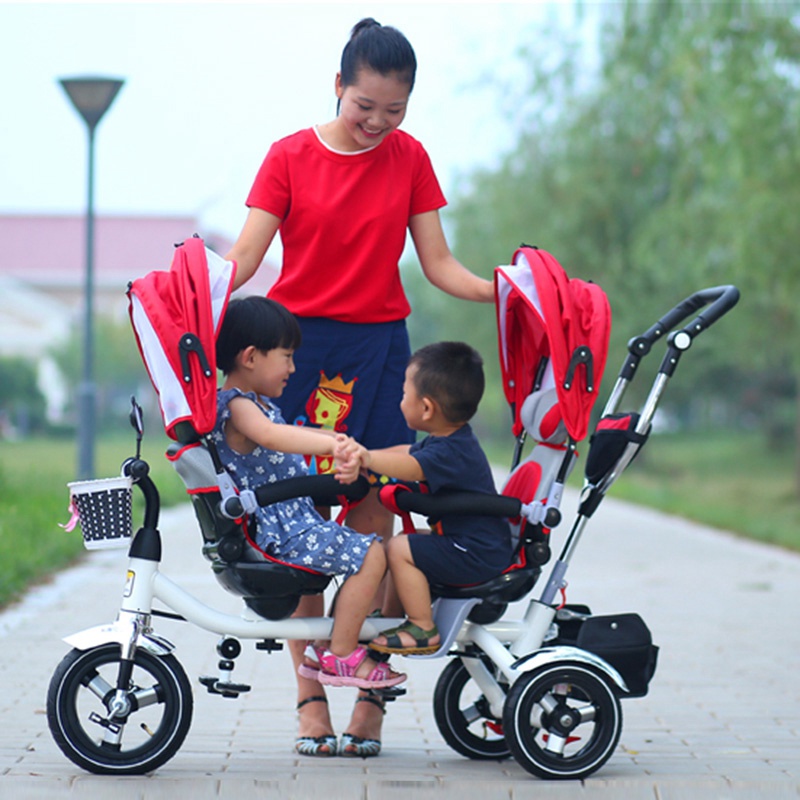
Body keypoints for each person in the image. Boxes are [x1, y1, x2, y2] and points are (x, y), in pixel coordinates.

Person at [224, 17, 494, 757]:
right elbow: (245, 256)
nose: (377, 123)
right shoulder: (287, 156)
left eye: (394, 111)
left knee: (378, 515)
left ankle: (370, 695)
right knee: (308, 524)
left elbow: (439, 264)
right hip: (299, 352)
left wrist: (501, 292)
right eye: (363, 106)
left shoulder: (410, 160)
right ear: (338, 86)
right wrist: (191, 292)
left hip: (383, 355)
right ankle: (311, 696)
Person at [212, 296, 406, 757]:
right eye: (287, 357)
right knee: (375, 554)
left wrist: (340, 452)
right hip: (283, 533)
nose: (295, 369)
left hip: (289, 522)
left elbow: (283, 444)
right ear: (251, 357)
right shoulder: (239, 406)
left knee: (372, 549)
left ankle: (334, 643)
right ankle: (339, 653)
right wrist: (338, 441)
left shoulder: (256, 402)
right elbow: (275, 438)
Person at [346, 342, 515, 655]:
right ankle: (392, 617)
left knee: (400, 547)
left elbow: (410, 467)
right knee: (411, 541)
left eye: (403, 394)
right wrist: (362, 453)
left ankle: (423, 626)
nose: (400, 401)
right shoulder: (449, 439)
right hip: (477, 547)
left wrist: (367, 458)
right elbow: (404, 453)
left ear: (425, 408)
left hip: (478, 554)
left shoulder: (450, 452)